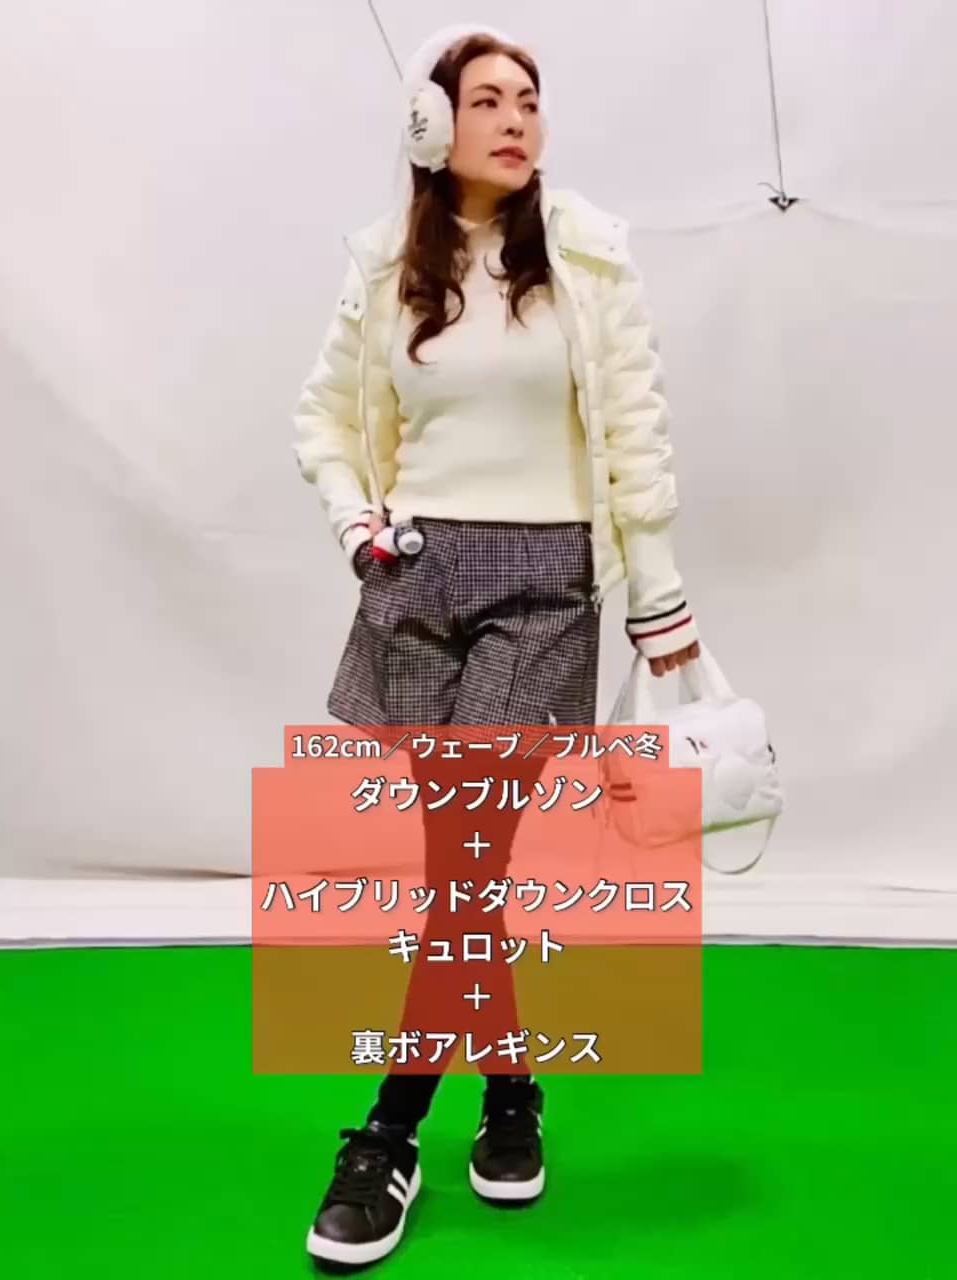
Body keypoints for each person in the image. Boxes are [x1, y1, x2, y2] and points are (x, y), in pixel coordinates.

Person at [291, 23, 701, 1266]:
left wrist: (661, 600)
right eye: (488, 99)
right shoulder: (385, 265)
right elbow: (324, 417)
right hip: (415, 581)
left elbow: (636, 429)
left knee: (464, 863)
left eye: (529, 99)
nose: (516, 118)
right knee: (458, 867)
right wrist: (357, 523)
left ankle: (389, 1129)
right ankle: (512, 1089)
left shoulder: (587, 258)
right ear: (433, 125)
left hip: (543, 585)